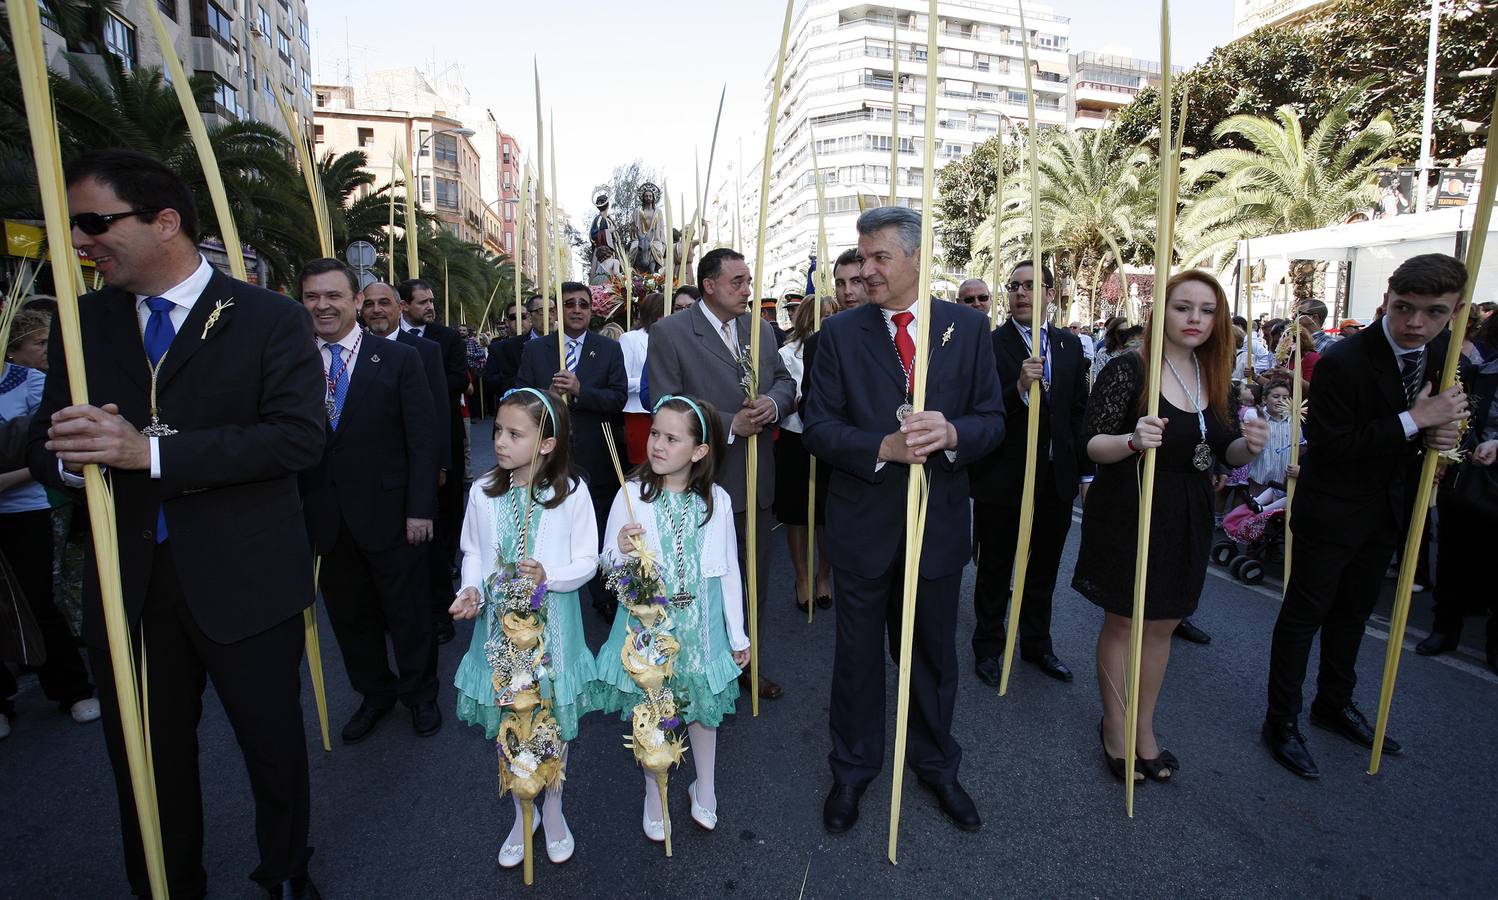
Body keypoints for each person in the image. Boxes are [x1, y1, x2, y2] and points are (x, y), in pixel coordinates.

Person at [31, 149, 323, 898]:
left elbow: (297, 437)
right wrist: (71, 457)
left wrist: (147, 454)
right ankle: (165, 881)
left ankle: (287, 870)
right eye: (76, 227)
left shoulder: (269, 317)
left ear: (166, 223)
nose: (83, 241)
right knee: (145, 759)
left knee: (272, 746)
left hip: (247, 579)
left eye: (97, 222)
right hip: (127, 582)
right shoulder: (82, 319)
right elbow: (46, 440)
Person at [803, 206, 1005, 834]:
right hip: (862, 528)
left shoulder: (968, 330)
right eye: (861, 257)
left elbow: (993, 420)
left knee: (932, 658)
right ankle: (853, 770)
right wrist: (879, 448)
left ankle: (936, 766)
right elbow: (818, 428)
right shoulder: (837, 336)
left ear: (917, 257)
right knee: (858, 660)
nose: (866, 270)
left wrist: (952, 432)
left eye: (879, 257)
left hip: (937, 527)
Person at [1263, 254, 1470, 779]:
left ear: (1455, 312)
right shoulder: (1344, 360)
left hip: (1387, 511)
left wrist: (1443, 435)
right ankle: (1280, 721)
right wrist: (1416, 420)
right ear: (1386, 299)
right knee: (1302, 619)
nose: (1416, 323)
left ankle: (1333, 703)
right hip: (1331, 511)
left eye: (1434, 313)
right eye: (1404, 308)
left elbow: (1443, 426)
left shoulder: (1444, 353)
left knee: (1353, 616)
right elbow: (1330, 446)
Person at [1073, 270, 1268, 784]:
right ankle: (1115, 728)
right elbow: (1090, 444)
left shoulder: (1214, 373)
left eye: (1206, 310)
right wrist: (1133, 441)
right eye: (1184, 307)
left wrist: (1251, 445)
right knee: (1124, 621)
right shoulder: (1129, 369)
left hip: (1186, 512)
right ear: (1163, 312)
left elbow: (1222, 450)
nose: (1195, 320)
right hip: (1129, 507)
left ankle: (1144, 729)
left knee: (1162, 624)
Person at [449, 387, 597, 867]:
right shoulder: (482, 490)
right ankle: (521, 809)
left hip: (554, 629)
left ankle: (551, 808)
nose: (500, 441)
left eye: (515, 433)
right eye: (497, 430)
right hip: (499, 631)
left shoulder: (571, 492)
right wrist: (471, 590)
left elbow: (587, 561)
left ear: (547, 444)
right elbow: (474, 552)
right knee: (511, 718)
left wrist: (550, 577)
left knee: (549, 721)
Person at [590, 395, 749, 838]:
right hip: (647, 630)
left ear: (699, 451)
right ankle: (653, 787)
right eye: (655, 433)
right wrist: (619, 549)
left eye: (671, 438)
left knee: (703, 709)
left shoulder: (715, 500)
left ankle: (707, 785)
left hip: (701, 626)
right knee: (652, 710)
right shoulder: (631, 494)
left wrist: (738, 635)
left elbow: (728, 572)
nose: (657, 444)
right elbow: (607, 563)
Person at [296, 260, 441, 742]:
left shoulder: (398, 359)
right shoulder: (292, 362)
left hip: (393, 516)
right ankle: (375, 694)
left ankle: (420, 694)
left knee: (408, 613)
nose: (323, 305)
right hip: (327, 519)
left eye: (333, 296)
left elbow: (423, 438)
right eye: (313, 296)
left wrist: (420, 507)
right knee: (350, 617)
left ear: (356, 301)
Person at [647, 247, 797, 702]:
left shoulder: (762, 330)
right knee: (697, 580)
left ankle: (748, 664)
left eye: (749, 281)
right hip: (701, 484)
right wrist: (729, 423)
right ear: (708, 285)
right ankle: (691, 669)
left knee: (754, 580)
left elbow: (785, 382)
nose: (747, 290)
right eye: (737, 282)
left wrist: (774, 402)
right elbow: (666, 407)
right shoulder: (671, 332)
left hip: (756, 478)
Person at [968, 261, 1088, 686]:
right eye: (1014, 286)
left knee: (1043, 570)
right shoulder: (987, 345)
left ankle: (1038, 645)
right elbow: (977, 410)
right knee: (995, 568)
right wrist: (1018, 388)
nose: (1021, 293)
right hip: (1002, 478)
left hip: (1055, 479)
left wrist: (1082, 474)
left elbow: (1077, 413)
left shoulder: (1070, 346)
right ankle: (988, 647)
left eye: (1031, 286)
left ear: (1050, 295)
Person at [0, 317, 100, 738]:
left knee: (40, 597)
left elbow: (49, 445)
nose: (43, 348)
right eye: (36, 342)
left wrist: (10, 479)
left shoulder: (32, 383)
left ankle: (71, 687)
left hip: (24, 509)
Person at [515, 281, 627, 617]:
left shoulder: (608, 349)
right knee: (548, 518)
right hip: (549, 455)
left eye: (583, 304)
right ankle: (542, 589)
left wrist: (581, 389)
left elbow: (618, 398)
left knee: (599, 522)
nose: (576, 309)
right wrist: (546, 395)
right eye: (569, 304)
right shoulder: (536, 350)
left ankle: (604, 596)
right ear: (557, 311)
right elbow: (518, 398)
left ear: (592, 311)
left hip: (597, 454)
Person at [1418, 312, 1498, 670]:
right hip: (1467, 475)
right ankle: (1444, 627)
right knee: (1453, 554)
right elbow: (1462, 413)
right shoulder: (1479, 366)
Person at [397, 279, 468, 645]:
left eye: (431, 300)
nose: (430, 306)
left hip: (443, 433)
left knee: (443, 513)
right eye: (422, 301)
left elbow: (458, 378)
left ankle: (444, 584)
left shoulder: (446, 338)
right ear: (403, 305)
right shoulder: (376, 339)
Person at [775, 296, 837, 613]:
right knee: (796, 515)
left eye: (831, 314)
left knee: (826, 514)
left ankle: (823, 576)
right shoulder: (786, 354)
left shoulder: (839, 347)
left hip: (827, 440)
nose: (826, 320)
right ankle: (801, 578)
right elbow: (785, 394)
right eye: (820, 315)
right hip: (794, 439)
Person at [363, 282, 450, 504]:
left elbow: (438, 410)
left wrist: (440, 463)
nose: (376, 310)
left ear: (400, 306)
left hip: (408, 466)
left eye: (384, 302)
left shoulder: (426, 350)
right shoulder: (351, 349)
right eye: (368, 304)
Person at [619, 292, 665, 465]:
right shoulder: (630, 339)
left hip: (666, 409)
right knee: (642, 464)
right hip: (638, 412)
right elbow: (622, 380)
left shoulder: (673, 337)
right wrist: (649, 382)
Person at [483, 295, 545, 401]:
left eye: (523, 316)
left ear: (530, 318)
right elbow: (489, 383)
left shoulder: (545, 342)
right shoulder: (498, 348)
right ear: (507, 322)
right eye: (513, 317)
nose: (519, 320)